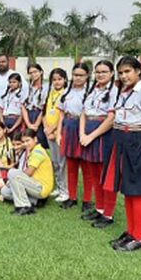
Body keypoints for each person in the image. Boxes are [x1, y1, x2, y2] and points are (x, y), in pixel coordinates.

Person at [101, 56, 141, 252]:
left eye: (127, 71)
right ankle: (131, 232)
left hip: (136, 142)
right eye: (120, 72)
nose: (124, 76)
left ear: (138, 71)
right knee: (128, 190)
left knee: (138, 192)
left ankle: (139, 237)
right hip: (121, 143)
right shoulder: (123, 91)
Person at [79, 60, 118, 227]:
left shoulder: (115, 91)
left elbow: (111, 118)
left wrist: (91, 136)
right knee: (94, 173)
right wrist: (82, 133)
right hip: (88, 133)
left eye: (104, 71)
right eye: (98, 72)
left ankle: (108, 214)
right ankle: (100, 208)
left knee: (106, 175)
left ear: (111, 74)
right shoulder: (92, 90)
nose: (100, 75)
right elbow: (84, 113)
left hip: (104, 135)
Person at [58, 63, 90, 209]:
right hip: (69, 127)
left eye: (81, 75)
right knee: (71, 165)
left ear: (87, 76)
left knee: (86, 166)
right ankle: (72, 197)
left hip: (84, 128)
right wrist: (59, 133)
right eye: (75, 75)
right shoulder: (67, 93)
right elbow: (61, 114)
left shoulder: (90, 92)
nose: (77, 78)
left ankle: (87, 200)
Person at [6, 128, 55, 216]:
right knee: (5, 192)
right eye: (24, 142)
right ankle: (35, 201)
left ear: (35, 139)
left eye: (28, 140)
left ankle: (24, 207)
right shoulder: (34, 150)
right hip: (34, 184)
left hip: (41, 188)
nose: (25, 144)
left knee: (12, 173)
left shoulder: (38, 152)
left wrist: (14, 179)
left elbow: (28, 173)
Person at [44, 68, 70, 201]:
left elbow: (63, 116)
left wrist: (54, 130)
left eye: (60, 79)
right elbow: (45, 112)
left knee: (62, 162)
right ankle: (59, 187)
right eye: (54, 79)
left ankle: (65, 191)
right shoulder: (51, 93)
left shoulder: (66, 94)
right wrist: (47, 129)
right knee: (55, 162)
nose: (57, 82)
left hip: (60, 132)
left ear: (65, 79)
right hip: (49, 133)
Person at [22, 62, 50, 150]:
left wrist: (36, 124)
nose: (33, 74)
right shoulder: (27, 88)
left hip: (41, 116)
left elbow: (44, 107)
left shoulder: (47, 87)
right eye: (31, 73)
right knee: (29, 141)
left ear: (41, 72)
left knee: (40, 142)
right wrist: (28, 124)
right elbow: (23, 106)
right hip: (29, 116)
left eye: (35, 72)